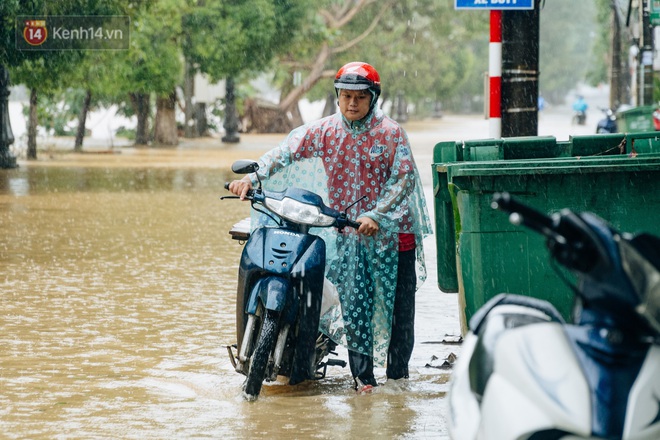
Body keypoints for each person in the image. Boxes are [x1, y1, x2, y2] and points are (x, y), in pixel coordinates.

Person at [228, 61, 433, 394]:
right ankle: (363, 381)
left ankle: (397, 381)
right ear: (337, 97)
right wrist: (252, 177)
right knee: (355, 305)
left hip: (395, 236)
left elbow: (403, 180)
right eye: (346, 96)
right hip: (350, 232)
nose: (352, 103)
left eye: (360, 98)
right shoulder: (324, 131)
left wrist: (377, 215)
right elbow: (285, 153)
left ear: (374, 98)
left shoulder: (391, 133)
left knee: (398, 311)